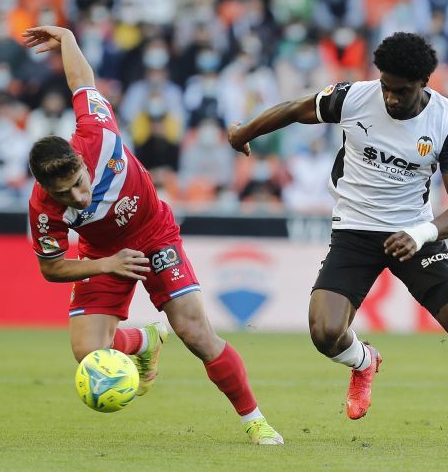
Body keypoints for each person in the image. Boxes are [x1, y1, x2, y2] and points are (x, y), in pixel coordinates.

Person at [227, 32, 448, 448]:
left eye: (401, 91)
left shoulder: (447, 121)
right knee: (325, 333)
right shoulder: (354, 97)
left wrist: (420, 233)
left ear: (424, 84)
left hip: (414, 234)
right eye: (386, 86)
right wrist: (243, 134)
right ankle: (365, 361)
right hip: (354, 229)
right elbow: (296, 109)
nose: (390, 98)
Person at [21, 26, 282, 445]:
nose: (78, 195)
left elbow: (80, 82)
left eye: (80, 182)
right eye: (64, 193)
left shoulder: (97, 134)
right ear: (44, 189)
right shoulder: (43, 209)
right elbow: (50, 268)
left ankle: (255, 421)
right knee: (88, 355)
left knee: (196, 333)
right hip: (102, 252)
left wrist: (68, 37)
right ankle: (143, 340)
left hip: (153, 232)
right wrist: (107, 263)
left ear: (81, 160)